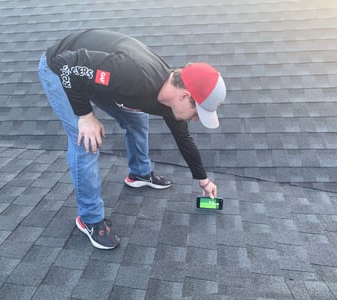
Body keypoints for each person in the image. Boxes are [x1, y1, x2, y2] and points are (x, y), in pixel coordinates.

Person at [38, 29, 226, 250]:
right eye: (197, 114)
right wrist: (85, 116)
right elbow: (67, 65)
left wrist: (203, 180)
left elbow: (183, 138)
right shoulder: (133, 75)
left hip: (90, 76)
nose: (195, 120)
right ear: (184, 96)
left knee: (136, 118)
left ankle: (140, 173)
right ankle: (89, 219)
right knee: (86, 140)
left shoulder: (168, 99)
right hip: (59, 70)